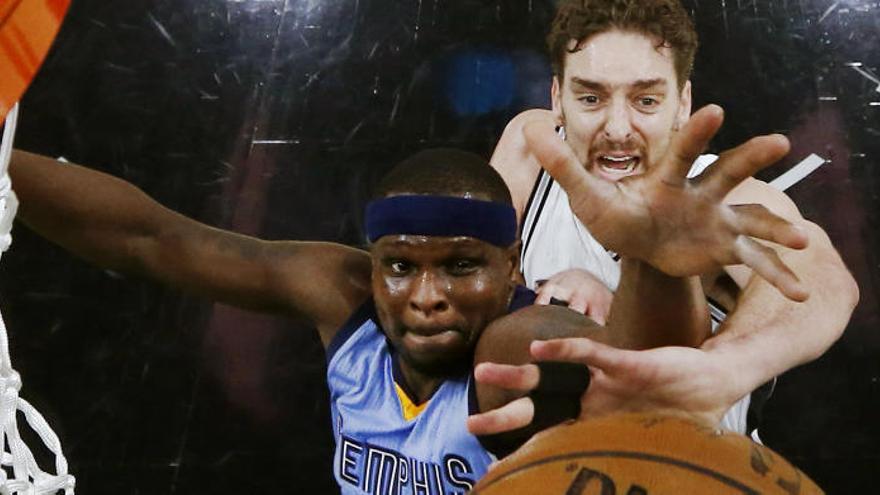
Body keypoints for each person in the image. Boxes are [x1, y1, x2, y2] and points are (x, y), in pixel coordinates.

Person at [10, 128, 803, 493]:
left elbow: (635, 378)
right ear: (375, 262)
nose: (424, 297)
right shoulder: (347, 299)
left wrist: (660, 262)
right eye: (401, 266)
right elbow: (152, 237)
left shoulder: (514, 340)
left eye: (461, 266)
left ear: (511, 266)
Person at [483, 0, 858, 437]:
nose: (618, 128)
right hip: (557, 464)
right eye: (590, 98)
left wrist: (721, 367)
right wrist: (550, 303)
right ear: (556, 100)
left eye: (646, 100)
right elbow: (470, 281)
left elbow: (824, 282)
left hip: (690, 465)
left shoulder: (720, 196)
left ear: (682, 104)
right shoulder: (532, 146)